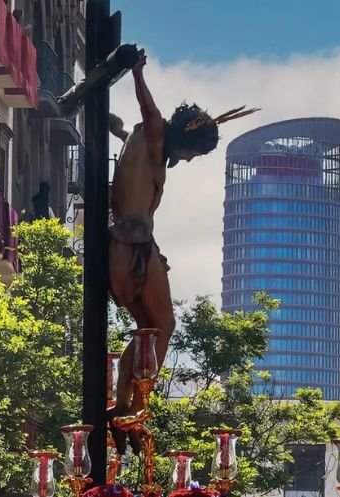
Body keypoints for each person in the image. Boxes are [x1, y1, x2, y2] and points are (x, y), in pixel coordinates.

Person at [107, 50, 258, 453]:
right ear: (185, 139)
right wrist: (137, 73)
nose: (190, 160)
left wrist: (115, 127)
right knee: (164, 324)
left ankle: (123, 403)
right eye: (194, 153)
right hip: (135, 246)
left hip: (123, 246)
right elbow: (150, 111)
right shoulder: (154, 135)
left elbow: (134, 134)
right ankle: (139, 404)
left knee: (147, 328)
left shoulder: (142, 142)